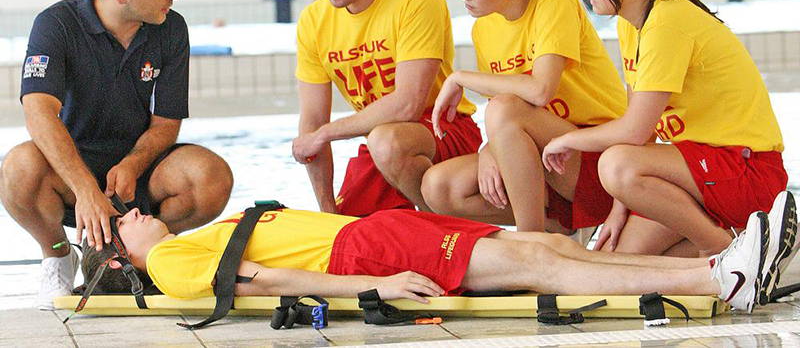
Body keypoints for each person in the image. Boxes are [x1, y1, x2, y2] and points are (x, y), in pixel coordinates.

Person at [82, 191, 799, 315]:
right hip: (366, 252)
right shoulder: (173, 265)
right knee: (535, 264)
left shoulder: (188, 243)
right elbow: (267, 279)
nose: (137, 212)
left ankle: (725, 266)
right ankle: (720, 275)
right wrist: (380, 286)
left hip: (371, 234)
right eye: (127, 224)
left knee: (543, 244)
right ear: (123, 261)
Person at [0, 0, 233, 310]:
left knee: (211, 177)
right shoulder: (56, 25)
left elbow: (166, 123)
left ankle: (145, 254)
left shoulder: (171, 28)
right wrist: (86, 190)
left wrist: (133, 163)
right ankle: (59, 255)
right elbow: (38, 111)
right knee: (17, 168)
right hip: (70, 171)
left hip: (139, 170)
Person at [541, 0, 788, 258]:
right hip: (704, 169)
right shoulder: (632, 24)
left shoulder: (668, 22)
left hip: (747, 172)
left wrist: (566, 140)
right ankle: (736, 246)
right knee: (626, 261)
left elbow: (633, 131)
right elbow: (641, 135)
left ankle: (726, 251)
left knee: (615, 163)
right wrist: (620, 208)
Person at [421, 0, 626, 233]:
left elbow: (540, 91)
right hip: (544, 155)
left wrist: (460, 77)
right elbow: (504, 107)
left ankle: (532, 244)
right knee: (438, 186)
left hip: (600, 155)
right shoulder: (484, 28)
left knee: (505, 109)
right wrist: (490, 150)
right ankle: (556, 226)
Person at [292, 0, 480, 216]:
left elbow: (408, 104)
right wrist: (327, 213)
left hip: (443, 129)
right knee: (353, 232)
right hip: (381, 145)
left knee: (386, 141)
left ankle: (446, 227)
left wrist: (324, 134)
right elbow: (311, 123)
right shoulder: (313, 21)